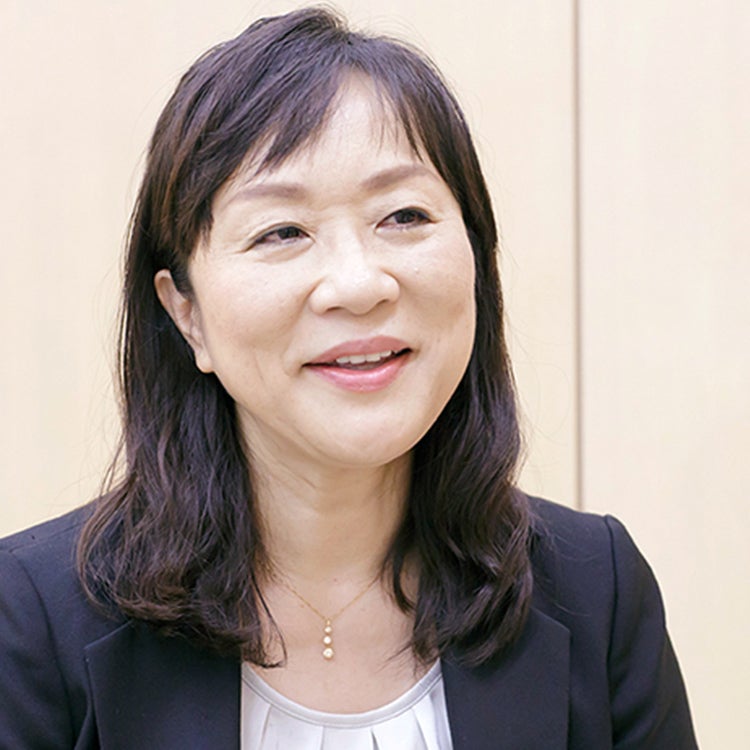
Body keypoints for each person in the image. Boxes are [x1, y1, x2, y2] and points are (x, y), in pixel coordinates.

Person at [0, 7, 697, 749]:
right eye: (283, 232)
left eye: (404, 216)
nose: (359, 284)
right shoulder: (33, 621)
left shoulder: (598, 592)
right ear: (187, 314)